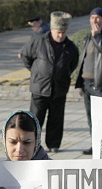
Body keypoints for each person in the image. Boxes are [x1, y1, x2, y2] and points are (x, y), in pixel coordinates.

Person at [22, 11, 79, 153]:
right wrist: (37, 73)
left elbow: (72, 65)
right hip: (39, 87)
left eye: (63, 32)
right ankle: (32, 144)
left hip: (59, 89)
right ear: (52, 29)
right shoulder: (39, 41)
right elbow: (27, 57)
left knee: (56, 118)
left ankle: (53, 144)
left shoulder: (71, 47)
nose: (61, 35)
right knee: (35, 118)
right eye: (58, 32)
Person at [75, 7, 102, 155]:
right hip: (86, 83)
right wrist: (79, 83)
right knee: (91, 118)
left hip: (99, 84)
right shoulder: (88, 37)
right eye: (92, 17)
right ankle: (95, 145)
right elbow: (83, 60)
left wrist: (98, 36)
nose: (95, 20)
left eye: (98, 17)